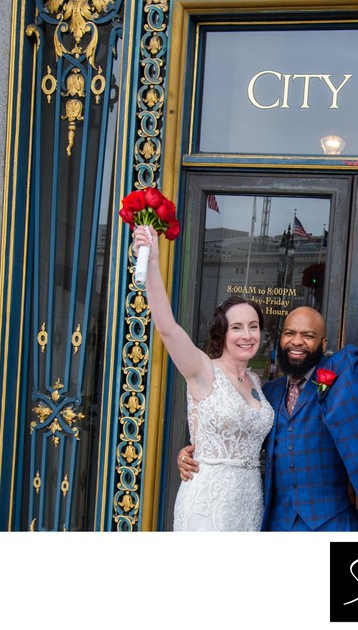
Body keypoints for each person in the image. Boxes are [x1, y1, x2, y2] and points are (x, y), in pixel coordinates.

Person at [178, 245, 358, 531]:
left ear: (323, 345)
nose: (296, 341)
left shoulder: (347, 373)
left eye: (308, 335)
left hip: (330, 521)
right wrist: (195, 457)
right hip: (277, 523)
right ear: (280, 339)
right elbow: (239, 440)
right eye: (290, 333)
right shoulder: (267, 393)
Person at [132, 225, 274, 531]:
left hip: (249, 504)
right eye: (237, 327)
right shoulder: (203, 370)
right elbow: (167, 328)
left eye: (253, 326)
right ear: (222, 332)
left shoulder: (257, 382)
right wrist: (153, 262)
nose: (247, 335)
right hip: (207, 502)